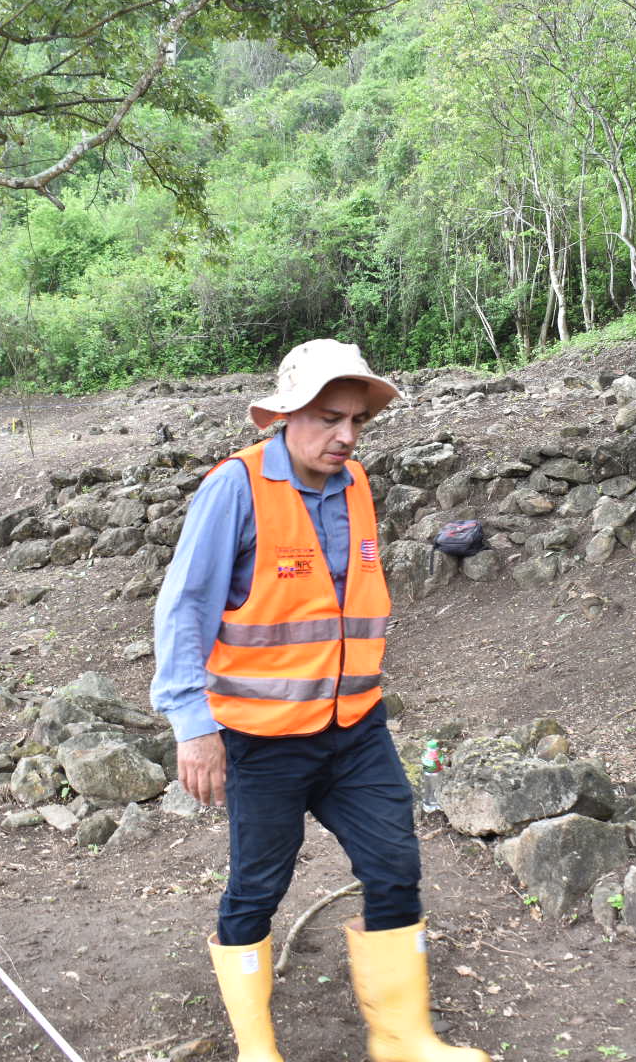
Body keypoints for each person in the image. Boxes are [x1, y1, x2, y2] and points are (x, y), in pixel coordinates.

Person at [151, 338, 486, 1062]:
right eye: (331, 418)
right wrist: (193, 726)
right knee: (258, 886)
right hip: (263, 739)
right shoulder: (233, 488)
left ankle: (402, 1038)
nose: (347, 436)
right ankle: (257, 1049)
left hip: (356, 729)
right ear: (285, 414)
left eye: (358, 421)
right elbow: (184, 610)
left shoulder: (356, 484)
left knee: (395, 864)